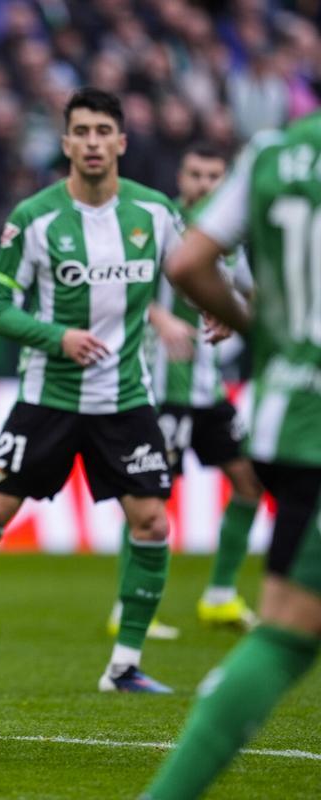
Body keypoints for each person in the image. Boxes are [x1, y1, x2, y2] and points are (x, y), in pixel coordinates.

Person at [0, 88, 180, 693]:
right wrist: (58, 337)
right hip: (48, 397)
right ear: (66, 142)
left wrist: (195, 314)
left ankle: (124, 666)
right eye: (82, 131)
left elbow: (186, 279)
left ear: (121, 142)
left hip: (124, 398)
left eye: (104, 131)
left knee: (151, 522)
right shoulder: (35, 218)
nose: (93, 142)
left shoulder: (155, 214)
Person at [141, 118, 321, 799]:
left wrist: (269, 337)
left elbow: (189, 264)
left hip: (289, 416)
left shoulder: (276, 151)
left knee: (287, 629)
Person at [106, 141, 263, 639]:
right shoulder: (156, 223)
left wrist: (238, 318)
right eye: (196, 174)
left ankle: (219, 596)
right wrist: (161, 318)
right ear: (181, 175)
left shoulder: (231, 237)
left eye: (214, 176)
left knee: (249, 483)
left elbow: (249, 294)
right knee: (148, 497)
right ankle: (125, 608)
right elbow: (119, 289)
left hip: (208, 389)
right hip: (160, 389)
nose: (203, 184)